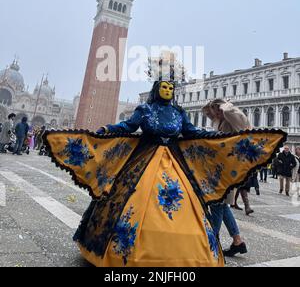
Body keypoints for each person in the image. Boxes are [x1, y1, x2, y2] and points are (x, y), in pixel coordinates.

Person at [44, 81, 285, 268]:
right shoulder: (145, 109)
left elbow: (190, 132)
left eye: (171, 87)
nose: (168, 90)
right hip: (143, 160)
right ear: (157, 89)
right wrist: (108, 129)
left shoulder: (180, 112)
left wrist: (221, 139)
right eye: (164, 86)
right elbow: (129, 126)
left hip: (174, 162)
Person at [203, 100, 250, 257]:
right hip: (221, 167)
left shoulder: (231, 117)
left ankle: (211, 243)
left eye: (212, 112)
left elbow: (242, 123)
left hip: (226, 169)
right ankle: (238, 241)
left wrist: (224, 106)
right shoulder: (222, 121)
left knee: (217, 203)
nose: (211, 116)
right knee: (222, 206)